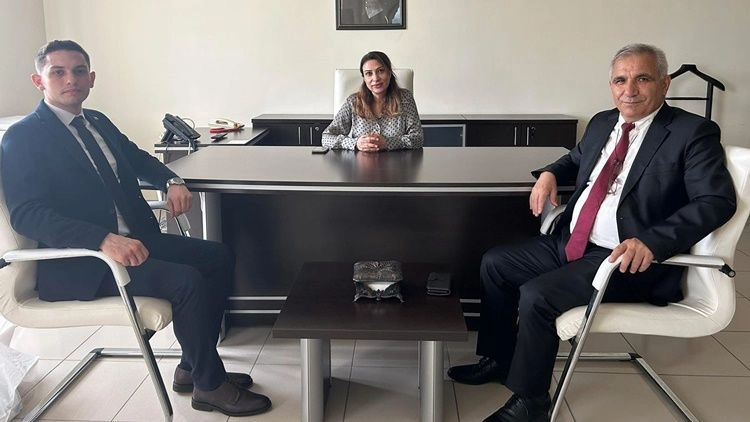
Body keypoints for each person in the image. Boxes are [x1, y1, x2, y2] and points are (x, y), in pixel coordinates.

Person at [447, 43, 736, 422]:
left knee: (537, 296)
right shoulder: (603, 122)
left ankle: (531, 403)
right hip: (574, 242)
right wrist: (550, 173)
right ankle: (501, 360)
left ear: (665, 83)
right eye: (620, 80)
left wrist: (653, 241)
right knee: (496, 263)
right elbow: (574, 159)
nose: (629, 90)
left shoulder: (691, 132)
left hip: (626, 260)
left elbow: (715, 200)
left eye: (642, 79)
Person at [0, 40, 272, 417]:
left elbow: (139, 159)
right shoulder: (23, 138)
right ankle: (209, 387)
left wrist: (172, 180)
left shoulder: (97, 121)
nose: (70, 79)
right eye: (57, 72)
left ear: (92, 78)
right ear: (39, 81)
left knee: (217, 256)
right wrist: (101, 240)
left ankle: (192, 367)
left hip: (137, 241)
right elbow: (28, 215)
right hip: (85, 262)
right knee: (187, 280)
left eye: (79, 71)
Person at [322, 51, 423, 151]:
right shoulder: (353, 102)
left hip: (398, 161)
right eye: (369, 73)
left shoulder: (405, 98)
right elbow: (326, 137)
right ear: (364, 78)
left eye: (381, 71)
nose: (375, 78)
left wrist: (388, 143)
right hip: (360, 161)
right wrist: (355, 143)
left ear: (389, 73)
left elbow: (418, 138)